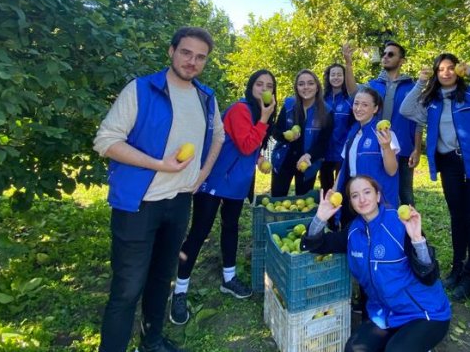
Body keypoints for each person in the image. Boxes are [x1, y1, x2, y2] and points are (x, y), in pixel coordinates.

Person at [93, 27, 224, 352]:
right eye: (186, 53)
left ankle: (151, 342)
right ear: (171, 51)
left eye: (200, 57)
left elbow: (218, 136)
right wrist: (160, 165)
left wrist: (201, 174)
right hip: (138, 205)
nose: (192, 62)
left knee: (161, 278)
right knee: (127, 289)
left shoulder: (205, 97)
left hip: (178, 203)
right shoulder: (141, 90)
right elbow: (106, 141)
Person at [400, 53, 470, 301]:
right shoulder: (430, 102)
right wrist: (421, 82)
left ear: (458, 71)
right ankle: (457, 267)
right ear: (435, 73)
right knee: (457, 218)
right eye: (440, 69)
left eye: (451, 68)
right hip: (450, 164)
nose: (446, 73)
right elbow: (405, 109)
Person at [169, 70, 277, 325]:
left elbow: (252, 148)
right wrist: (263, 118)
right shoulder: (242, 109)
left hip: (237, 182)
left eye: (269, 85)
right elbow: (246, 144)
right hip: (216, 179)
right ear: (251, 86)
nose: (264, 88)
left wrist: (259, 158)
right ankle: (179, 290)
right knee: (199, 231)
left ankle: (229, 279)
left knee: (231, 227)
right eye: (259, 83)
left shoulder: (259, 112)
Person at [302, 176, 451, 352]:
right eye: (355, 195)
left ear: (378, 196)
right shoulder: (353, 232)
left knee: (396, 350)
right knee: (354, 350)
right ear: (351, 202)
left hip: (424, 313)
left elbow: (430, 276)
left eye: (367, 192)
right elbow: (314, 245)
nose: (362, 199)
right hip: (384, 314)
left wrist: (418, 240)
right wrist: (320, 217)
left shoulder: (399, 224)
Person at [344, 42, 422, 207]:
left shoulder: (413, 87)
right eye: (384, 53)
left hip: (404, 148)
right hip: (376, 147)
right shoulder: (373, 85)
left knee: (406, 193)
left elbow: (418, 120)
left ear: (402, 61)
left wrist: (417, 148)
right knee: (379, 190)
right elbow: (353, 92)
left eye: (391, 54)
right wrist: (348, 65)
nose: (385, 57)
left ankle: (413, 232)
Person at [335, 88, 400, 219]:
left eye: (365, 105)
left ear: (375, 109)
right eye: (356, 103)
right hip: (355, 197)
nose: (358, 108)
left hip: (378, 201)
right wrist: (334, 189)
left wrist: (386, 147)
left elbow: (392, 170)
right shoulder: (353, 132)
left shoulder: (384, 133)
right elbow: (344, 167)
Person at [270, 69, 334, 196]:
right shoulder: (288, 105)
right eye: (301, 84)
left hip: (308, 163)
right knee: (277, 199)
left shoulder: (326, 111)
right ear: (297, 88)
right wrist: (285, 136)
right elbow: (276, 132)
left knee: (303, 203)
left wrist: (309, 155)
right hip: (284, 160)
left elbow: (323, 143)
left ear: (317, 87)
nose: (306, 87)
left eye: (310, 83)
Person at [320, 63, 353, 193]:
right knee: (326, 187)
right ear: (328, 77)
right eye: (333, 74)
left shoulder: (350, 100)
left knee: (342, 188)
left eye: (339, 74)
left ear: (345, 77)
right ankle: (328, 213)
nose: (336, 77)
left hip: (342, 151)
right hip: (324, 152)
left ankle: (342, 213)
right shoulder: (321, 99)